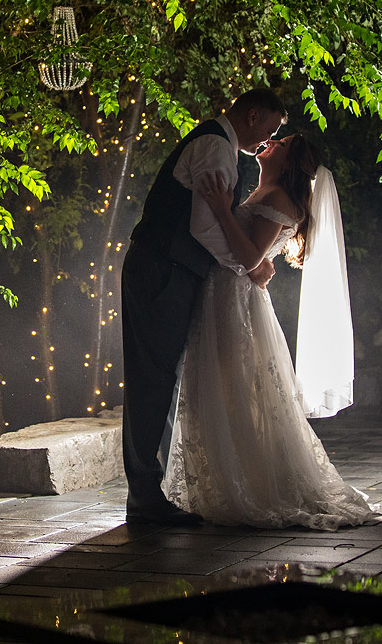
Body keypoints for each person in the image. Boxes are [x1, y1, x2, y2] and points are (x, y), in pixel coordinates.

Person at [161, 134, 376, 530]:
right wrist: (249, 253)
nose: (270, 142)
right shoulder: (267, 191)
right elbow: (250, 257)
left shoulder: (279, 198)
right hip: (227, 296)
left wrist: (223, 210)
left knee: (236, 388)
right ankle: (232, 477)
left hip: (234, 302)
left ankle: (250, 484)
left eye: (281, 143)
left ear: (290, 161)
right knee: (228, 388)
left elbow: (248, 256)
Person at [121, 88, 286, 525]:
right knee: (152, 378)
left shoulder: (219, 144)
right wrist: (248, 265)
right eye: (270, 128)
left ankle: (146, 492)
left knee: (158, 377)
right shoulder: (216, 146)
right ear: (253, 114)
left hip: (166, 266)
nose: (268, 139)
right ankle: (143, 497)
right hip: (164, 268)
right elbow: (203, 226)